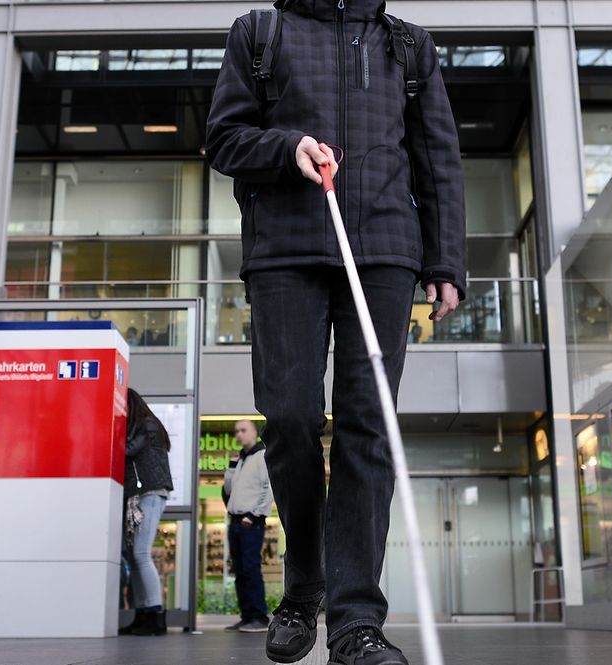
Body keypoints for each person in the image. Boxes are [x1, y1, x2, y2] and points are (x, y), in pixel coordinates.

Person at [206, 1, 466, 663]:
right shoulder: (258, 35)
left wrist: (444, 261)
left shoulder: (407, 45)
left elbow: (438, 157)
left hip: (382, 250)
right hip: (284, 252)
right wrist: (283, 146)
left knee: (366, 427)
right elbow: (224, 139)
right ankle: (303, 588)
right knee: (290, 418)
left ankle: (355, 622)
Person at [119, 388, 174, 636]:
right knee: (134, 555)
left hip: (150, 493)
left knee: (141, 553)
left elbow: (127, 450)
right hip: (140, 495)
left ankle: (154, 614)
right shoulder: (144, 425)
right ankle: (143, 613)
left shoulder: (146, 425)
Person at [222, 419, 273, 633]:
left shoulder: (262, 456)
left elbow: (269, 487)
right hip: (235, 521)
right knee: (240, 571)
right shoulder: (241, 460)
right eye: (236, 431)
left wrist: (253, 515)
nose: (239, 434)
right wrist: (232, 467)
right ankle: (247, 616)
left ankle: (259, 618)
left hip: (250, 523)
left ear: (254, 433)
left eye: (243, 430)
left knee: (251, 569)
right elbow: (228, 491)